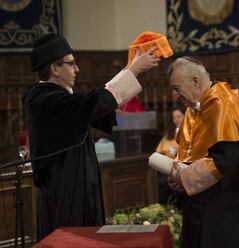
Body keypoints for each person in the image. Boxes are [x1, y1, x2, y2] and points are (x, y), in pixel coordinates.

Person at [24, 33, 160, 240]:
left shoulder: (55, 98)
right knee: (71, 236)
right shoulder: (44, 98)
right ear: (54, 68)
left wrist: (107, 109)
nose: (77, 69)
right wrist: (133, 70)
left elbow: (86, 108)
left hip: (74, 179)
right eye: (71, 64)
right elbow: (88, 104)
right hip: (64, 185)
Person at [167, 57, 239, 248]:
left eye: (177, 88)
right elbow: (188, 150)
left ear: (195, 80)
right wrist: (176, 172)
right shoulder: (193, 108)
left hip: (223, 206)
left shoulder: (222, 103)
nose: (175, 95)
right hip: (200, 203)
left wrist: (183, 177)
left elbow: (226, 160)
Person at [155, 105, 185, 204]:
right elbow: (159, 151)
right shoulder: (170, 133)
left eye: (179, 116)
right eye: (174, 118)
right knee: (161, 183)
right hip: (167, 167)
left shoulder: (190, 131)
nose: (176, 120)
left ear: (185, 115)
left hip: (182, 166)